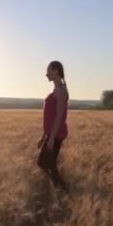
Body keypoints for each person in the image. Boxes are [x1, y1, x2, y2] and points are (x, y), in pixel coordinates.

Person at [37, 60, 69, 191]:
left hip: (56, 135)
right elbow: (50, 116)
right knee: (47, 164)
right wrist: (44, 136)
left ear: (55, 70)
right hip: (52, 134)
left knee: (45, 164)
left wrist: (51, 138)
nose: (46, 74)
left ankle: (62, 190)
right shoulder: (56, 90)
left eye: (48, 70)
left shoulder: (61, 91)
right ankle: (59, 189)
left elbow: (59, 117)